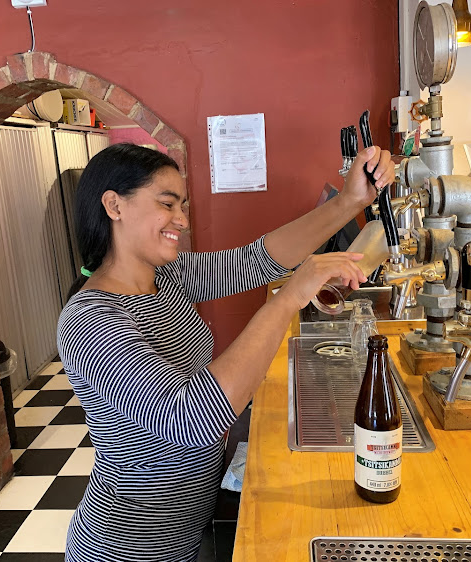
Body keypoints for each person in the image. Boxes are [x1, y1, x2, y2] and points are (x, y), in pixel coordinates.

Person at [57, 142, 395, 562]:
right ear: (114, 205)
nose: (180, 220)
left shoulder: (167, 274)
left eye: (183, 206)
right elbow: (192, 417)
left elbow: (258, 260)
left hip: (186, 527)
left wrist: (351, 201)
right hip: (129, 546)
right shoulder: (90, 320)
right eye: (167, 204)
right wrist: (289, 297)